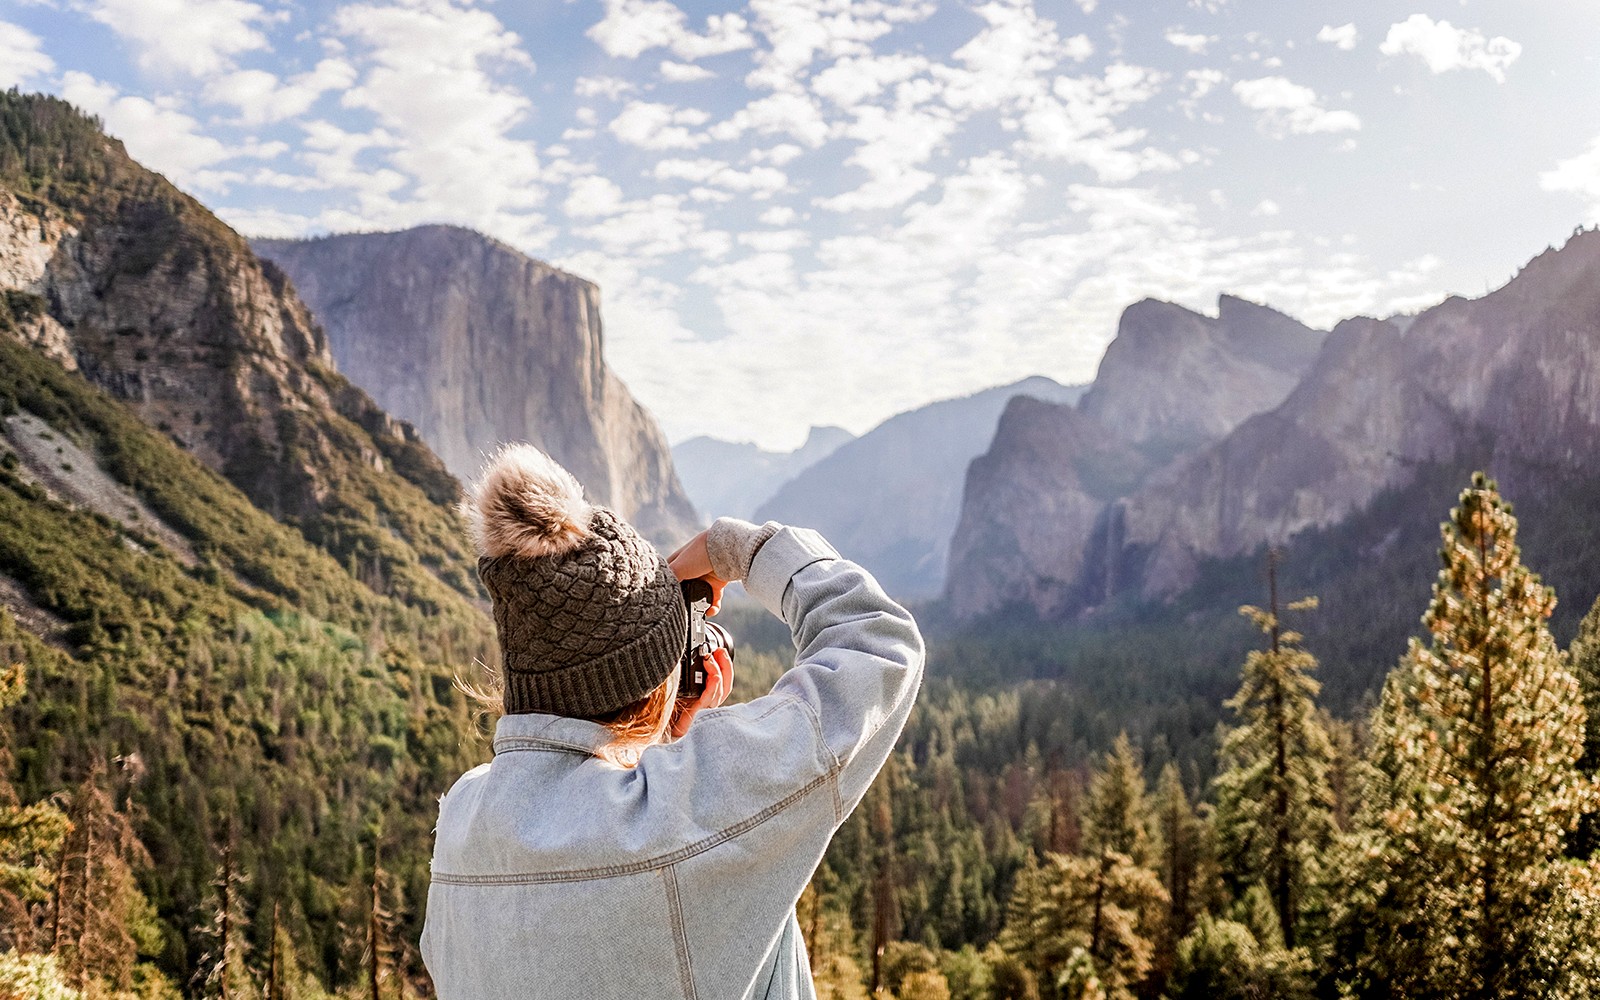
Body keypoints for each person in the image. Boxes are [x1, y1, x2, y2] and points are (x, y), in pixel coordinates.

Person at [420, 443, 924, 999]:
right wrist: (741, 550)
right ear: (654, 686)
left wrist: (661, 727)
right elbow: (878, 643)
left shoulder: (462, 825)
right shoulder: (685, 813)